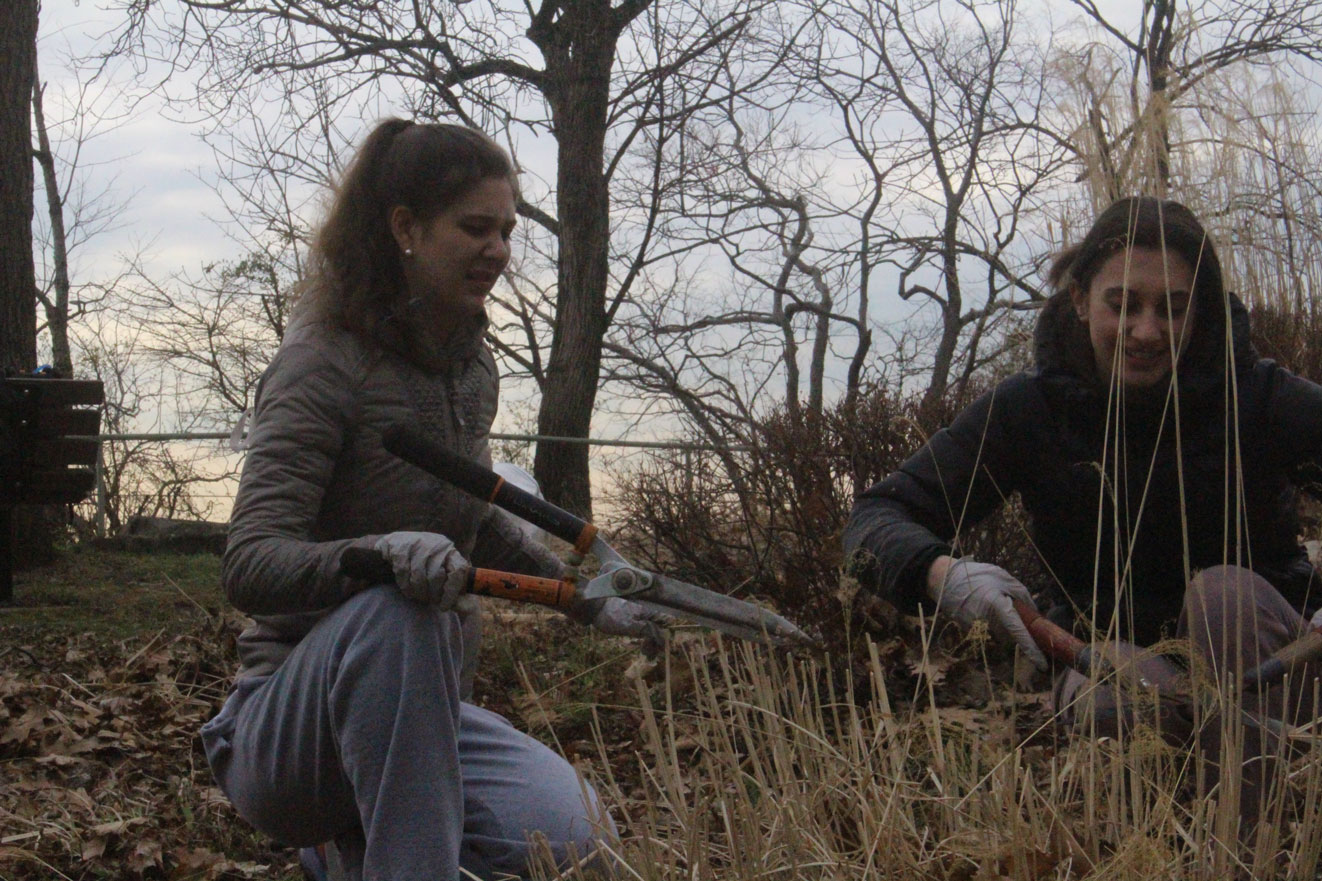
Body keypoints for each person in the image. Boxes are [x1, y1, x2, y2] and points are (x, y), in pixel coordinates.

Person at [200, 118, 664, 881]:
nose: (499, 250)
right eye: (475, 227)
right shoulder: (319, 362)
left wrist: (583, 591)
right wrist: (374, 557)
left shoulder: (468, 366)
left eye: (507, 231)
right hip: (284, 728)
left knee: (578, 843)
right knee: (398, 608)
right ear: (406, 228)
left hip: (421, 717)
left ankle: (361, 848)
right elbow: (249, 564)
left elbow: (474, 519)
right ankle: (365, 844)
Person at [844, 196, 1322, 811]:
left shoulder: (1258, 395)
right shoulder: (1028, 409)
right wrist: (945, 574)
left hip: (1274, 667)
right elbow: (874, 518)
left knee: (1225, 594)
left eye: (1172, 309)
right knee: (1118, 699)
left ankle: (1252, 844)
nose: (1146, 332)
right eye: (1122, 305)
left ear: (1199, 312)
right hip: (1108, 662)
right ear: (1079, 300)